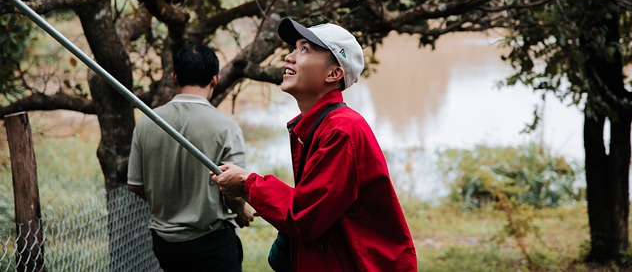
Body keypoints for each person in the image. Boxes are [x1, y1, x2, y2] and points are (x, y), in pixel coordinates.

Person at [211, 18, 418, 272]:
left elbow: (304, 217)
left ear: (333, 74)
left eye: (304, 49)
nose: (289, 57)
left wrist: (248, 184)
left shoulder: (342, 131)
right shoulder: (319, 126)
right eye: (294, 48)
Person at [127, 43, 253, 272]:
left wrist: (169, 203)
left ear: (174, 78)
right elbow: (234, 190)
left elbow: (135, 185)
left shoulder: (147, 123)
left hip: (165, 244)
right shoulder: (226, 127)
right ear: (215, 79)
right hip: (211, 241)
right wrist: (240, 210)